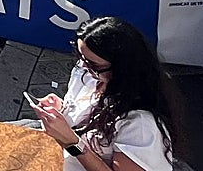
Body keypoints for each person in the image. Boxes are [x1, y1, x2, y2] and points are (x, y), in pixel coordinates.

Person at [27, 16, 181, 171]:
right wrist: (60, 110)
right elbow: (80, 116)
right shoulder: (87, 74)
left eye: (94, 65)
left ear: (122, 68)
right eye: (81, 57)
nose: (84, 67)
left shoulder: (140, 125)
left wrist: (73, 143)